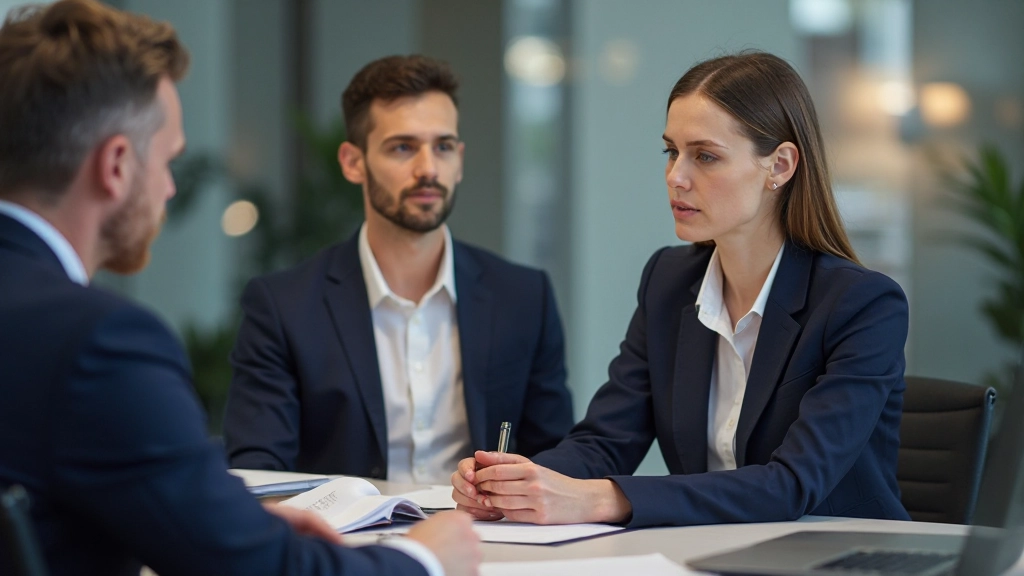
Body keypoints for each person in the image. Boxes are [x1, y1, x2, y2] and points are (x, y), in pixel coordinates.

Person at [0, 2, 479, 575]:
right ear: (117, 166)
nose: (171, 189)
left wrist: (233, 524)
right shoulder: (98, 343)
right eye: (169, 160)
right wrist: (424, 558)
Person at [451, 51, 912, 528]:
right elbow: (606, 440)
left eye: (705, 156)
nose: (676, 176)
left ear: (780, 165)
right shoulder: (669, 282)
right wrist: (516, 481)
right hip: (709, 551)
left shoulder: (862, 305)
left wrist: (602, 499)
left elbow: (791, 485)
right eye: (672, 151)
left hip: (839, 556)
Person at [223, 55, 574, 483]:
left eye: (443, 146)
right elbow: (259, 474)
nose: (427, 168)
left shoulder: (523, 296)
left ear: (459, 160)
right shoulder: (283, 306)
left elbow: (555, 461)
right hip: (346, 544)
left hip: (488, 540)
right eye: (403, 147)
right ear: (353, 162)